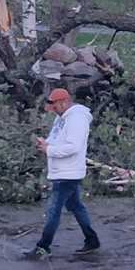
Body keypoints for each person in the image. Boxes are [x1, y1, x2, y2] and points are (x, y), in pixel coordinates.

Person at [23, 88, 101, 260]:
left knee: (53, 211)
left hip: (69, 173)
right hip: (62, 171)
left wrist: (49, 150)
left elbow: (74, 147)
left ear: (64, 103)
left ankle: (43, 247)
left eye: (55, 107)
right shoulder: (61, 118)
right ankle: (92, 240)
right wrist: (45, 144)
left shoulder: (77, 119)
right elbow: (56, 139)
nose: (54, 111)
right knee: (76, 207)